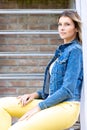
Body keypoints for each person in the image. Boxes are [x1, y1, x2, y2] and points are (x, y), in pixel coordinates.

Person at [0, 10, 83, 130]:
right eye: (60, 24)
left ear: (76, 28)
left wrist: (38, 107)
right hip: (52, 102)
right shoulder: (62, 51)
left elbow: (67, 90)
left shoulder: (75, 51)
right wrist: (34, 95)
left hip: (66, 107)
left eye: (67, 24)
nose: (62, 28)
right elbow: (54, 87)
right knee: (2, 105)